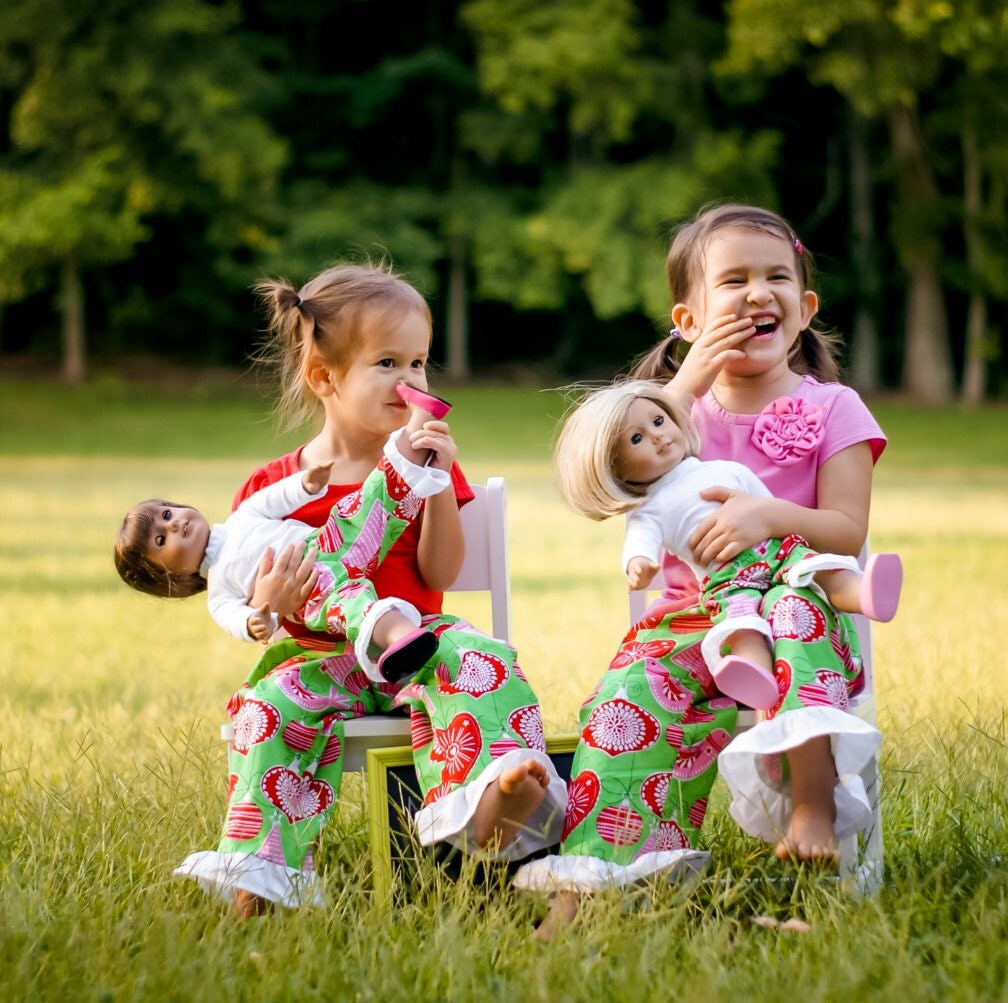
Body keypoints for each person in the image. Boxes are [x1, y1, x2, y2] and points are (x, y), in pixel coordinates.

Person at [516, 203, 890, 934]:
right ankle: (594, 882)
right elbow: (602, 476)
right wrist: (684, 383)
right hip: (694, 620)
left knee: (795, 617)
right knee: (624, 698)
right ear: (687, 320)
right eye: (735, 280)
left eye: (776, 277)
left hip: (795, 602)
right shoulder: (664, 419)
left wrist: (768, 516)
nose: (758, 293)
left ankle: (813, 803)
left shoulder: (835, 408)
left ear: (805, 308)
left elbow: (847, 530)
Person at [173, 263, 566, 915]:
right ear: (324, 378)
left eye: (419, 363)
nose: (411, 381)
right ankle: (259, 871)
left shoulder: (429, 460)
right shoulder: (271, 487)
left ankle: (493, 796)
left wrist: (437, 482)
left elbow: (441, 574)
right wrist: (270, 603)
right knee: (267, 707)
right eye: (388, 363)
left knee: (482, 659)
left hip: (417, 643)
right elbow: (253, 604)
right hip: (324, 657)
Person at [551, 379, 901, 710]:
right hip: (727, 578)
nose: (657, 435)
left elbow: (766, 506)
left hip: (774, 549)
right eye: (637, 438)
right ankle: (754, 673)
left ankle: (864, 594)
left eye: (658, 421)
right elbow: (639, 542)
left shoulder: (725, 468)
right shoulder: (650, 509)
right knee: (740, 621)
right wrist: (638, 564)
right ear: (617, 471)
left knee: (813, 568)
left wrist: (774, 523)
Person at [113, 386, 452, 685]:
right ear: (170, 576)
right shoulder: (219, 592)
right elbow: (238, 620)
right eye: (161, 540)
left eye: (167, 514)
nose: (173, 525)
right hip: (315, 596)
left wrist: (306, 484)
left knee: (375, 498)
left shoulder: (242, 515)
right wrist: (257, 618)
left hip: (329, 543)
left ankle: (420, 421)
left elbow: (274, 498)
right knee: (355, 609)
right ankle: (405, 638)